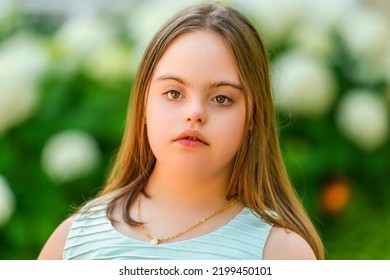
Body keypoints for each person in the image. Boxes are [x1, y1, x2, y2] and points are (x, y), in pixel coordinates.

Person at [38, 1, 324, 260]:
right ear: (143, 104)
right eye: (174, 93)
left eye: (222, 98)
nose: (195, 114)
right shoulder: (74, 241)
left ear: (253, 117)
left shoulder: (281, 253)